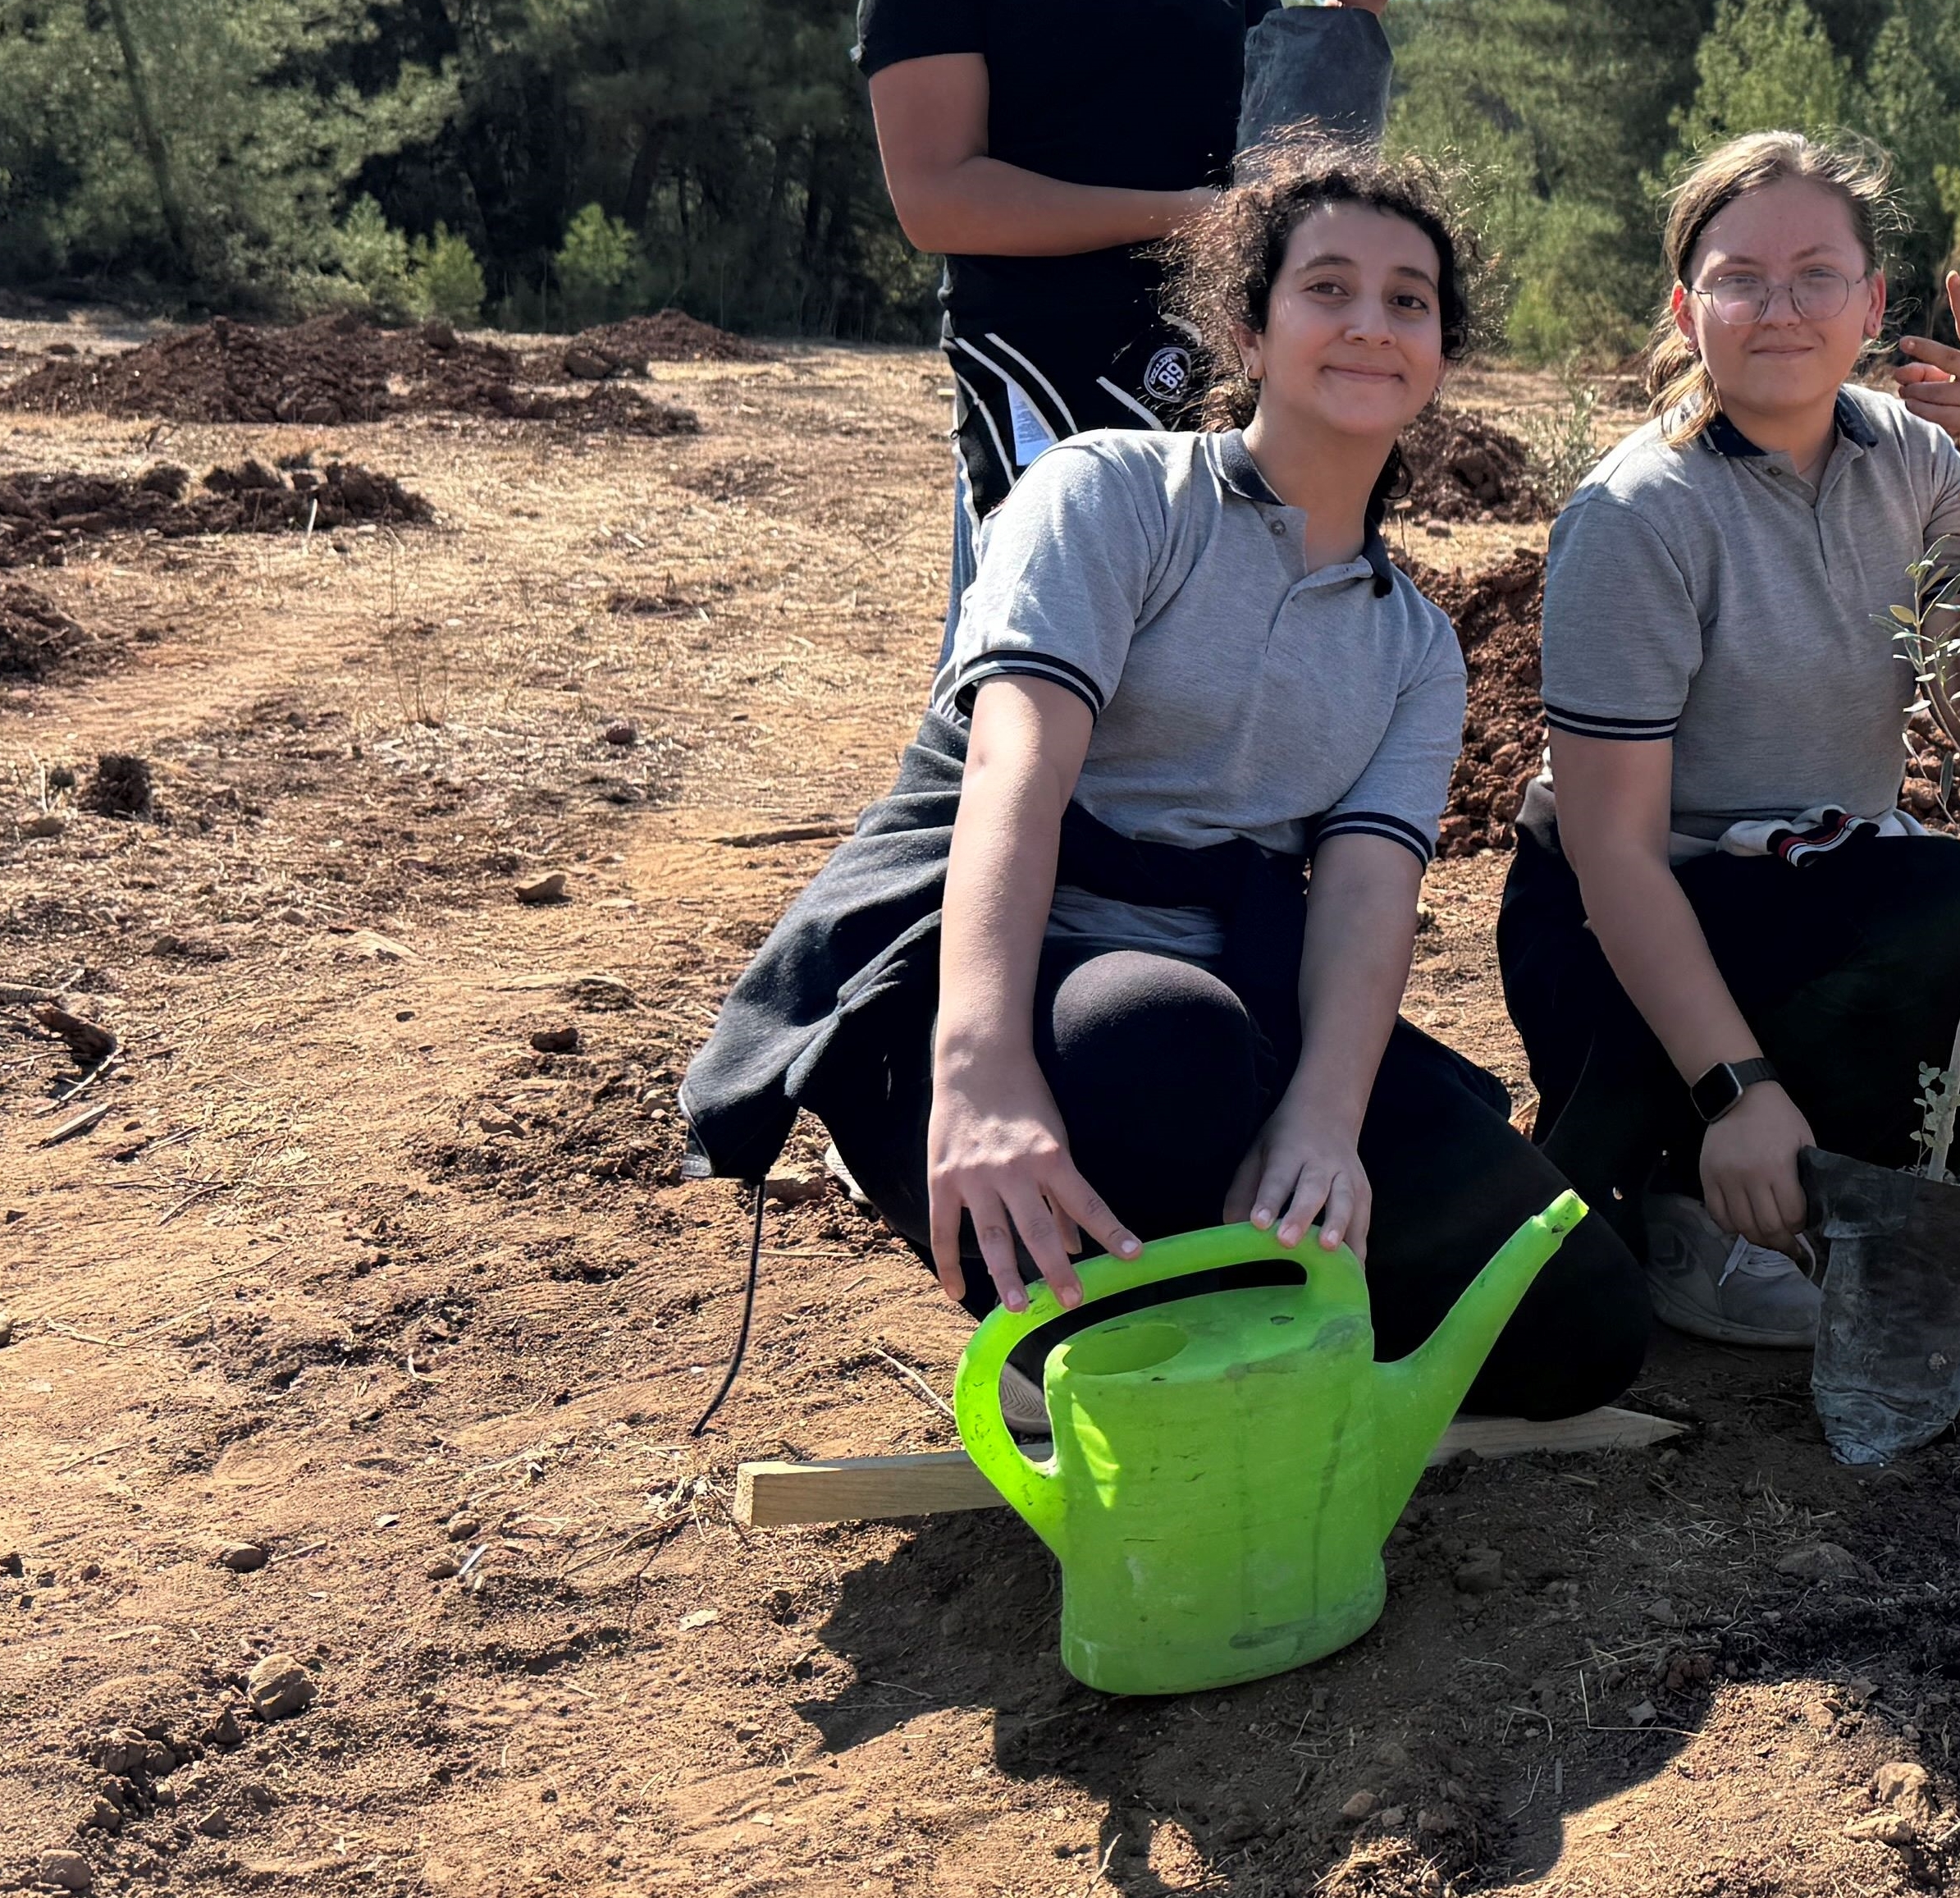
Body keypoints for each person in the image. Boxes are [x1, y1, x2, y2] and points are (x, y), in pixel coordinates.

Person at [679, 145, 1644, 1424]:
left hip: (1237, 1004)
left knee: (1578, 1317)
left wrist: (1323, 1121)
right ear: (1247, 329)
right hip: (1000, 986)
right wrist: (981, 1068)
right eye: (1328, 288)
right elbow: (1013, 777)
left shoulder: (1413, 644)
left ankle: (1202, 1310)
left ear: (1441, 355)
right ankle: (1040, 1294)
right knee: (1159, 1038)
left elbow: (1366, 901)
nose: (1370, 322)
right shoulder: (1113, 492)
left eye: (1408, 300)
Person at [1497, 130, 1960, 1347]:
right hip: (1625, 930)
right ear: (1685, 309)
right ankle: (1688, 1186)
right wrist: (1737, 1086)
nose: (1779, 309)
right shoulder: (1636, 512)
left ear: (1873, 304)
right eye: (1739, 279)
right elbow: (1615, 856)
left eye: (1816, 275)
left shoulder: (1915, 457)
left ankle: (1831, 1156)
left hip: (1829, 880)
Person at [857, 0, 1399, 643]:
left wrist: (1349, 32)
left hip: (1228, 379)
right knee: (1042, 666)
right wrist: (1193, 217)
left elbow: (1292, 179)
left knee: (1222, 668)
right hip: (1041, 372)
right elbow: (938, 198)